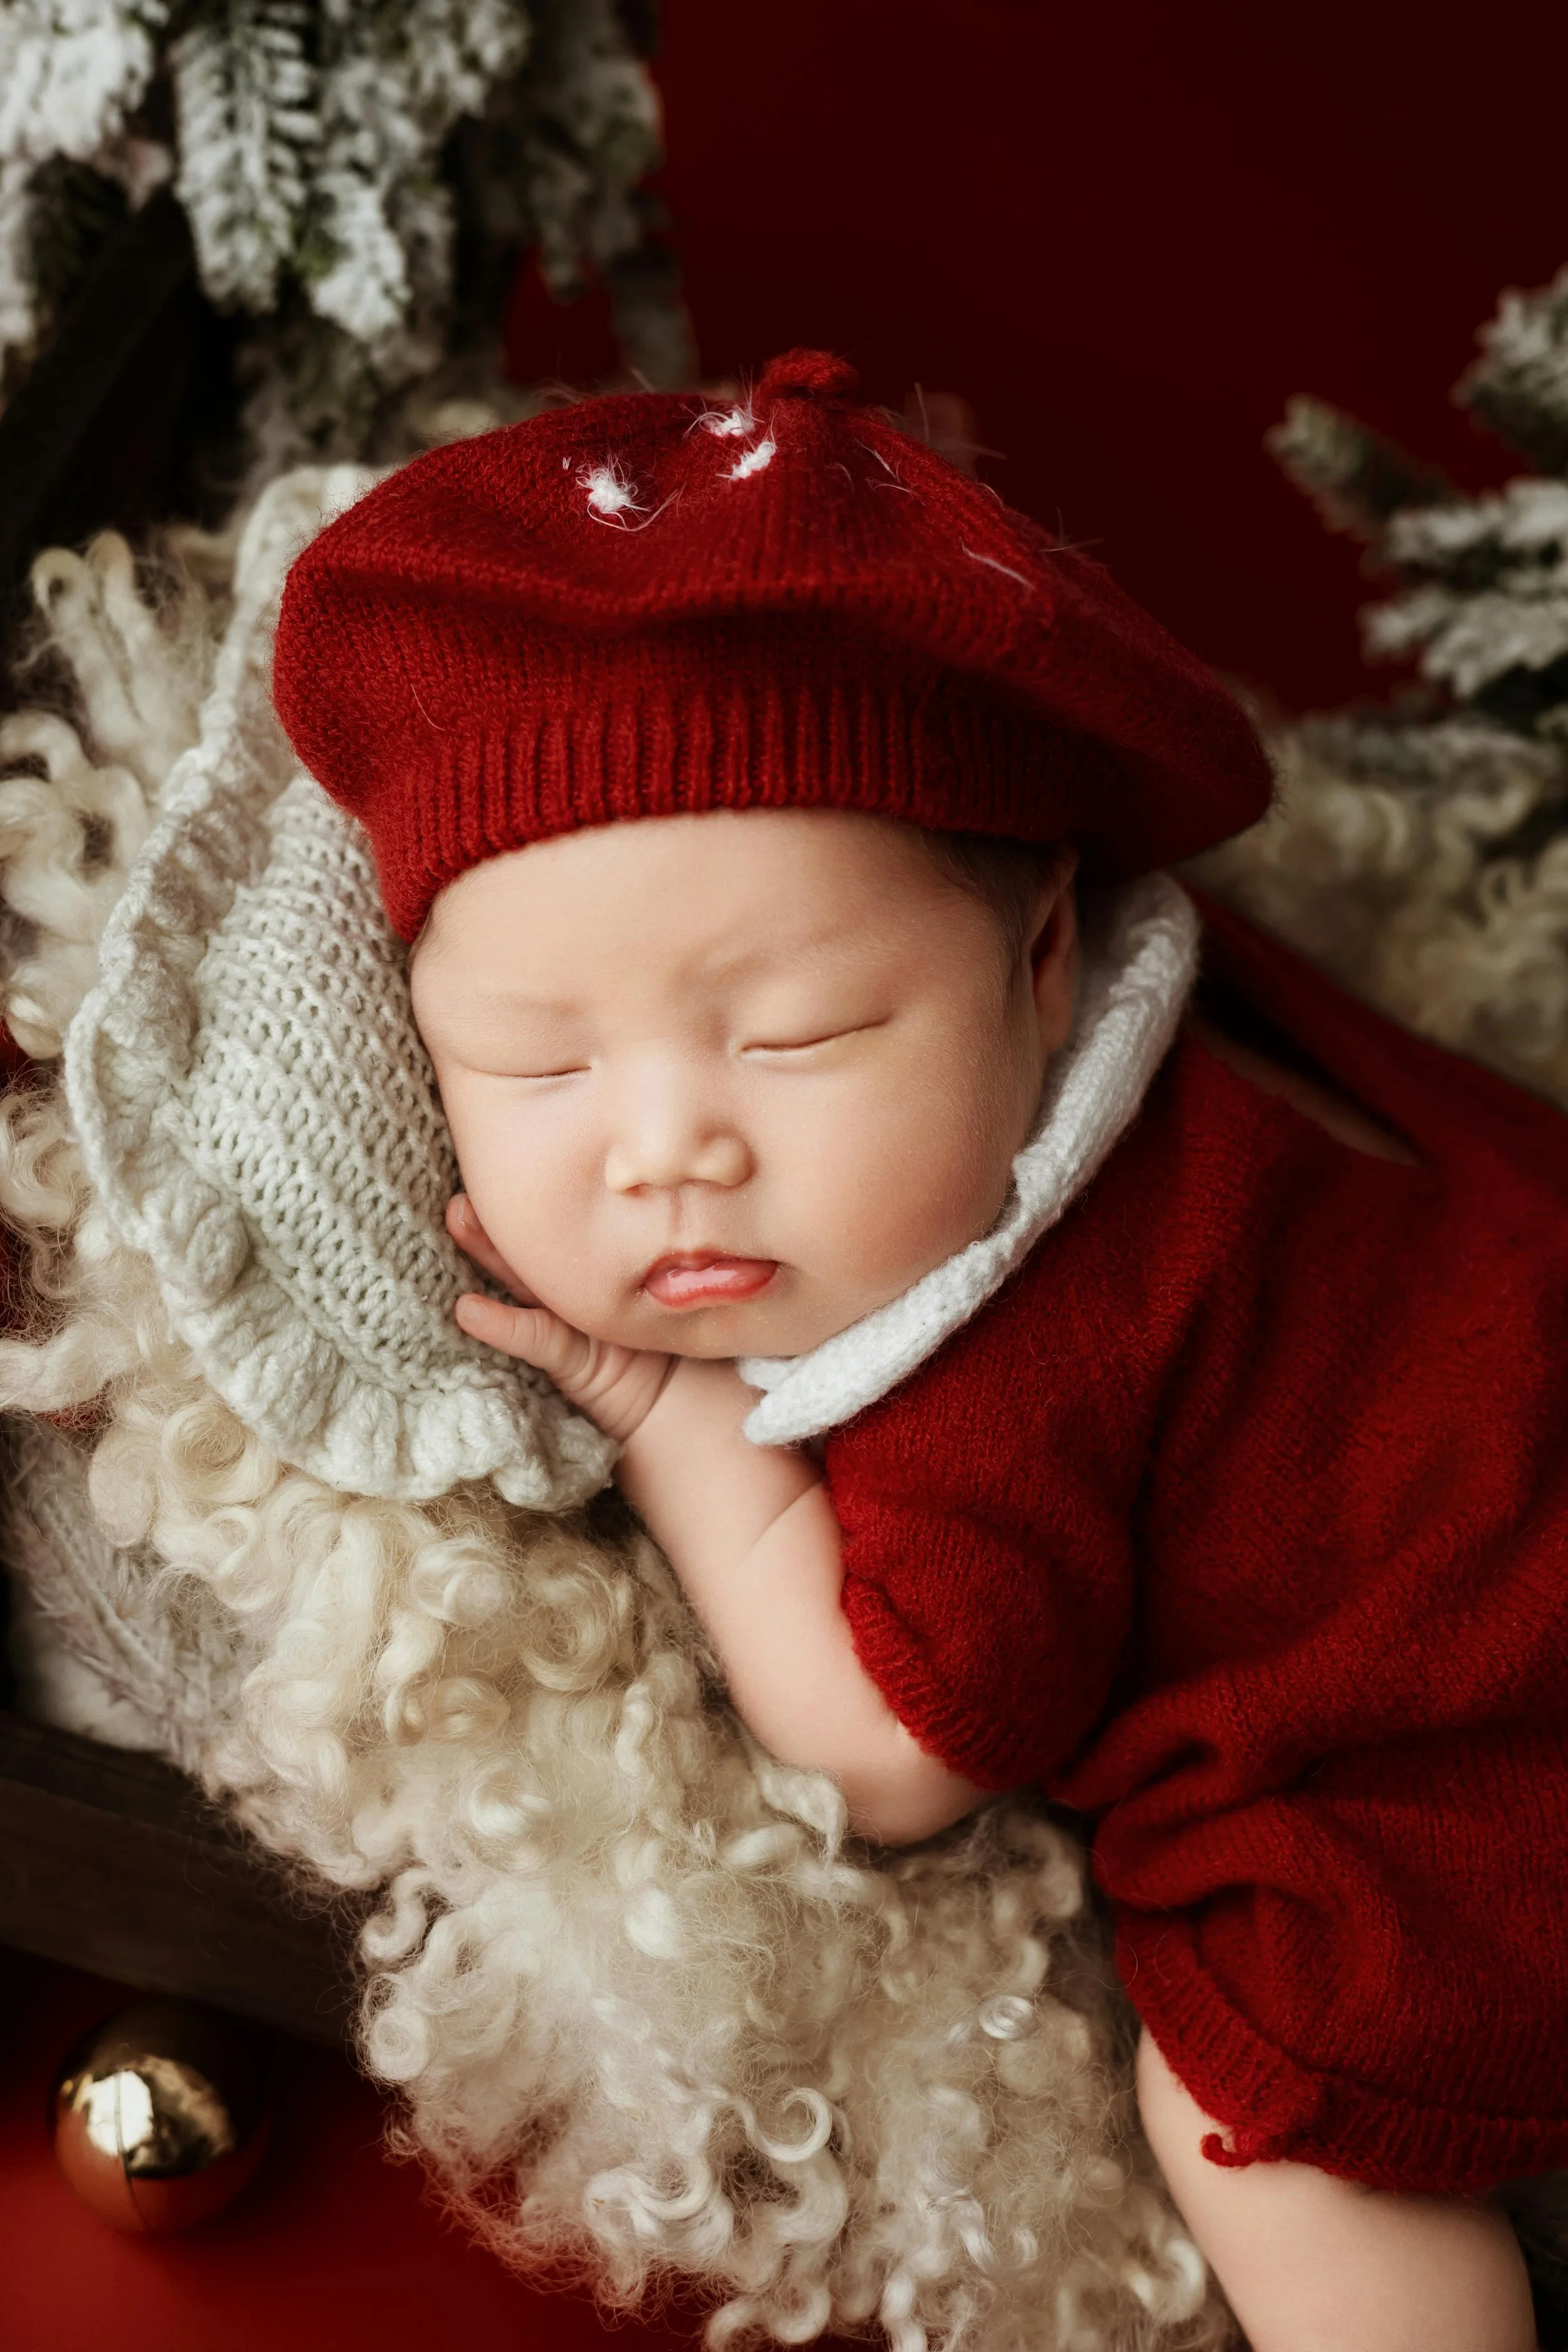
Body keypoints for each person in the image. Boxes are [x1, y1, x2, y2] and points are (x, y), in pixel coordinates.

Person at [273, 350, 1567, 2352]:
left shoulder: (1008, 1352)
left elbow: (895, 1745)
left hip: (1478, 1728)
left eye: (795, 1037)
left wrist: (674, 1423)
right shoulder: (1198, 1017)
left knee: (1260, 2116)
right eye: (533, 1063)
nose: (669, 1144)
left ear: (1048, 963)